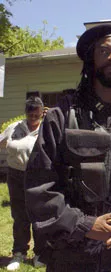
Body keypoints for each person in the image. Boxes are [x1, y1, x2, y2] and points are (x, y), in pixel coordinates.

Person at [24, 24, 111, 271]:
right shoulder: (61, 118)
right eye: (104, 51)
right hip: (71, 255)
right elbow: (39, 188)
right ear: (91, 60)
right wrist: (85, 225)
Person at [0, 96, 45, 271]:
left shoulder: (46, 128)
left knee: (39, 215)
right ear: (25, 112)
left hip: (38, 175)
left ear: (42, 113)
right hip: (16, 175)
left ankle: (40, 253)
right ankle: (19, 253)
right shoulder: (15, 127)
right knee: (19, 216)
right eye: (29, 112)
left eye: (36, 113)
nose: (33, 116)